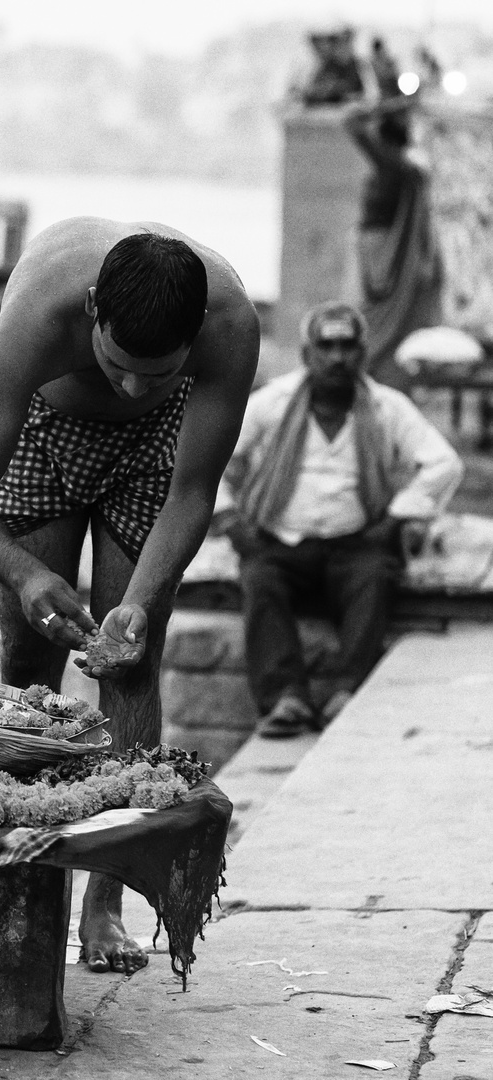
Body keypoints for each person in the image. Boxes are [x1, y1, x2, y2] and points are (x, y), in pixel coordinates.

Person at [0, 218, 260, 974]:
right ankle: (21, 869)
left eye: (159, 372)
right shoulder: (40, 314)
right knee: (28, 651)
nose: (133, 386)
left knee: (129, 661)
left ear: (196, 338)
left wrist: (140, 603)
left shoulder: (232, 325)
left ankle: (105, 901)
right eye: (118, 365)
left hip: (156, 450)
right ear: (91, 311)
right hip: (43, 431)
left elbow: (192, 492)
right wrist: (26, 575)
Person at [212, 301, 463, 738]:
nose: (337, 356)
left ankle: (348, 690)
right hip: (281, 542)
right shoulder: (273, 402)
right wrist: (231, 520)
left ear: (362, 353)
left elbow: (444, 463)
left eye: (347, 345)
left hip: (354, 544)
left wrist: (398, 518)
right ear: (307, 353)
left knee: (375, 575)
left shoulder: (387, 407)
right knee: (260, 579)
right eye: (325, 345)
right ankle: (285, 699)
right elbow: (208, 460)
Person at [344, 95, 442, 392]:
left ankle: (370, 369)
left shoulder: (395, 164)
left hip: (382, 250)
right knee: (371, 312)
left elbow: (350, 121)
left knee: (371, 314)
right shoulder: (401, 165)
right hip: (377, 248)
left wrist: (385, 107)